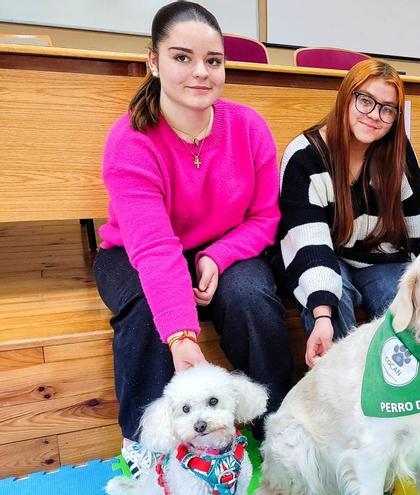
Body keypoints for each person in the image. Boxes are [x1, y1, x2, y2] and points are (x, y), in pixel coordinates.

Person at [92, 0, 293, 478]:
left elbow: (265, 218)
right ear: (153, 61)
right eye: (182, 57)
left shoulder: (249, 127)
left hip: (224, 246)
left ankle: (279, 423)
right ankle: (144, 444)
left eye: (213, 60)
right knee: (146, 306)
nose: (201, 72)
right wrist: (181, 335)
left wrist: (218, 256)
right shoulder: (130, 140)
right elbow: (155, 249)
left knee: (252, 296)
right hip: (134, 251)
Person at [275, 59, 420, 368]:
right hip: (319, 254)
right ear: (346, 97)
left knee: (402, 304)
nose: (374, 115)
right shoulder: (305, 156)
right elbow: (310, 245)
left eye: (387, 109)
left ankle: (398, 387)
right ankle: (345, 384)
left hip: (376, 255)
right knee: (333, 298)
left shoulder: (398, 152)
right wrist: (322, 314)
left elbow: (415, 229)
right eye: (365, 100)